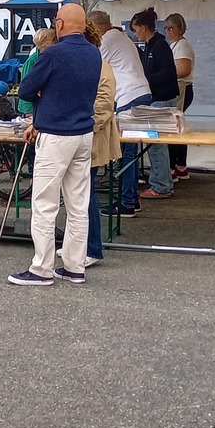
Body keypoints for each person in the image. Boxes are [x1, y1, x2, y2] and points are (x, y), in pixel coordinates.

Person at [8, 4, 102, 286]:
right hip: (84, 133)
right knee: (78, 203)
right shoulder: (94, 53)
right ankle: (75, 266)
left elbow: (25, 89)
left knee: (45, 203)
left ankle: (42, 268)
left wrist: (42, 91)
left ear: (59, 24)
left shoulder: (53, 54)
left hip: (55, 133)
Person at [88, 11, 153, 218]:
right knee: (130, 152)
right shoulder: (122, 37)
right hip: (141, 93)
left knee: (126, 152)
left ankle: (127, 203)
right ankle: (131, 198)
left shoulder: (106, 41)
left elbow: (93, 69)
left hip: (129, 97)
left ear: (96, 28)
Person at [130, 7, 179, 201]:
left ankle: (161, 185)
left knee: (156, 144)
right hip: (155, 98)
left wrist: (146, 79)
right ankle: (161, 181)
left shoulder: (160, 45)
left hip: (162, 98)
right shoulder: (149, 45)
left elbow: (169, 72)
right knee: (156, 144)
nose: (135, 34)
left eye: (135, 29)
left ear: (143, 27)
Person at [84, 20, 119, 268]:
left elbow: (104, 105)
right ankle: (82, 245)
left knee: (86, 194)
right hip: (82, 135)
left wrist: (81, 124)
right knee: (79, 195)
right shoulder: (90, 63)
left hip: (91, 138)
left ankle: (92, 248)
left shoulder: (100, 65)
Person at [165, 13, 195, 181]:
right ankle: (180, 165)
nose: (169, 31)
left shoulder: (182, 45)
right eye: (167, 28)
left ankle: (175, 165)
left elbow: (184, 69)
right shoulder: (175, 45)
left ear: (180, 28)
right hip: (179, 87)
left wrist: (166, 74)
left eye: (172, 28)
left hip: (182, 87)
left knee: (173, 126)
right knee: (177, 126)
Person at [15, 29, 56, 115]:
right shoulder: (32, 60)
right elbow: (25, 85)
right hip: (30, 107)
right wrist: (29, 111)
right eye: (53, 40)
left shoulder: (49, 57)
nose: (56, 43)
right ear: (43, 43)